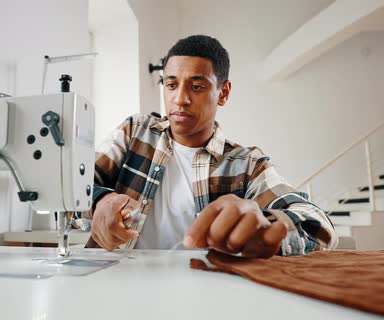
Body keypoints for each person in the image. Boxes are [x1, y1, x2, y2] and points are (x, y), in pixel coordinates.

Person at [85, 35, 337, 257]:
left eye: (196, 86)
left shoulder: (247, 164)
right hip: (120, 283)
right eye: (171, 84)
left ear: (223, 93)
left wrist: (266, 223)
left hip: (207, 292)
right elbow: (76, 181)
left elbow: (321, 227)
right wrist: (100, 200)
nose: (180, 99)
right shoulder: (135, 133)